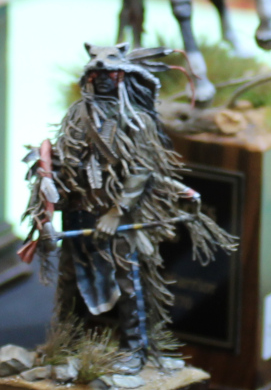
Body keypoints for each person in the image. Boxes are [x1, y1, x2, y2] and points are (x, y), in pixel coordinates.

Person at [23, 44, 235, 371]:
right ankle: (66, 342)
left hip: (119, 215)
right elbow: (66, 155)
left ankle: (135, 348)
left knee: (128, 281)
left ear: (121, 76)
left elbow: (141, 170)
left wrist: (116, 211)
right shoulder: (78, 114)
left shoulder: (136, 120)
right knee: (70, 279)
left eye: (109, 74)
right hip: (79, 209)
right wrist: (52, 184)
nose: (101, 79)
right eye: (96, 74)